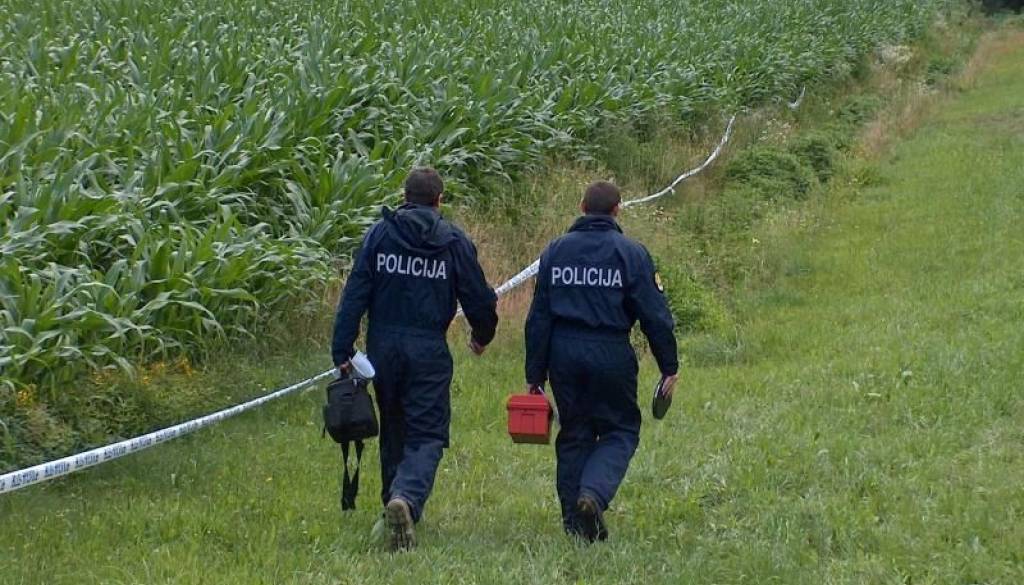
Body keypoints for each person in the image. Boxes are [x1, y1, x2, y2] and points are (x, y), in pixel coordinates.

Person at [332, 167, 498, 551]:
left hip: (383, 347)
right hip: (428, 349)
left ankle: (393, 503)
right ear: (439, 200)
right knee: (428, 433)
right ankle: (405, 498)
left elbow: (355, 293)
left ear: (404, 197)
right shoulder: (453, 241)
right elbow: (478, 297)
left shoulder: (380, 235)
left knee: (394, 425)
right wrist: (482, 335)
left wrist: (343, 349)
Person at [523, 180, 679, 542]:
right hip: (611, 351)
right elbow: (655, 317)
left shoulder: (555, 251)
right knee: (620, 430)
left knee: (574, 433)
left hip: (563, 354)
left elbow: (539, 318)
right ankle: (592, 495)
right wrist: (668, 366)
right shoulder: (632, 253)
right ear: (617, 210)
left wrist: (535, 375)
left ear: (581, 207)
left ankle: (575, 524)